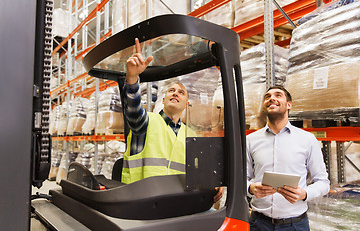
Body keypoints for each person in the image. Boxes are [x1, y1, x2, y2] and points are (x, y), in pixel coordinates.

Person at [121, 38, 223, 203]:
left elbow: (198, 171)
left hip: (175, 203)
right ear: (163, 99)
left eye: (181, 92)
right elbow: (133, 109)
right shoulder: (147, 122)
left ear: (187, 104)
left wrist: (213, 183)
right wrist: (132, 78)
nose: (175, 93)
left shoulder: (190, 134)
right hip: (139, 201)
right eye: (171, 90)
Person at [246, 86, 330, 230]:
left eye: (278, 95)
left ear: (289, 105)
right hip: (259, 224)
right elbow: (242, 178)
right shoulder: (250, 140)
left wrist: (304, 194)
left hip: (295, 225)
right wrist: (251, 188)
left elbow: (323, 182)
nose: (271, 98)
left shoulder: (307, 140)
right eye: (267, 97)